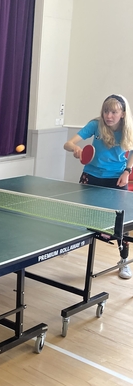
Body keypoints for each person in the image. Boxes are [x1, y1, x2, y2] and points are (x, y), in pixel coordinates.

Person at [64, 94, 133, 279]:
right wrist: (76, 149)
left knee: (122, 224)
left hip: (116, 179)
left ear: (123, 114)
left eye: (113, 112)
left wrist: (127, 171)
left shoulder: (128, 129)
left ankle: (124, 262)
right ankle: (66, 245)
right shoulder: (95, 125)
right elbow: (67, 143)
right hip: (91, 176)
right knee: (82, 214)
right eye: (105, 111)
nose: (108, 116)